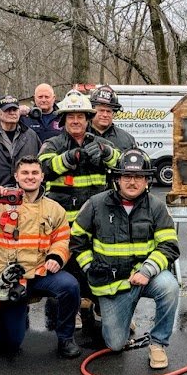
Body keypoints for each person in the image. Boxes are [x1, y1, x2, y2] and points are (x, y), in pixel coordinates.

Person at [0, 157, 82, 360]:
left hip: (40, 272)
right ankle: (1, 322)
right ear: (16, 176)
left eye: (35, 173)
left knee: (70, 286)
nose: (30, 177)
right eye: (25, 173)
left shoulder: (54, 209)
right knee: (10, 345)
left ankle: (66, 338)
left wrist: (56, 257)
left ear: (42, 176)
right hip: (9, 280)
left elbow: (63, 239)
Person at [70, 149, 180, 369]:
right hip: (112, 286)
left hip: (144, 278)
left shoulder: (156, 207)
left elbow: (169, 245)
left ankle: (158, 344)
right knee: (115, 344)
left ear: (147, 180)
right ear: (117, 178)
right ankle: (124, 315)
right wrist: (90, 267)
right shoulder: (96, 204)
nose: (132, 182)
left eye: (139, 177)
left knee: (170, 286)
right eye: (127, 176)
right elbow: (77, 240)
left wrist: (147, 271)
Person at [40, 90, 122, 338]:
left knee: (99, 265)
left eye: (80, 116)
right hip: (64, 223)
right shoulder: (53, 144)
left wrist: (107, 154)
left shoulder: (102, 143)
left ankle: (100, 308)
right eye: (70, 116)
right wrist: (68, 158)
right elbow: (42, 168)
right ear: (63, 120)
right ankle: (71, 310)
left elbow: (122, 164)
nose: (76, 121)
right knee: (69, 269)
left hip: (96, 223)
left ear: (88, 119)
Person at [0, 94, 42, 186]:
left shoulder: (31, 135)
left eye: (15, 109)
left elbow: (40, 162)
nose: (12, 113)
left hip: (26, 192)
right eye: (7, 110)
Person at [88, 85, 138, 150]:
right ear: (93, 110)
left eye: (108, 111)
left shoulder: (127, 140)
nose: (105, 115)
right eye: (101, 110)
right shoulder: (79, 135)